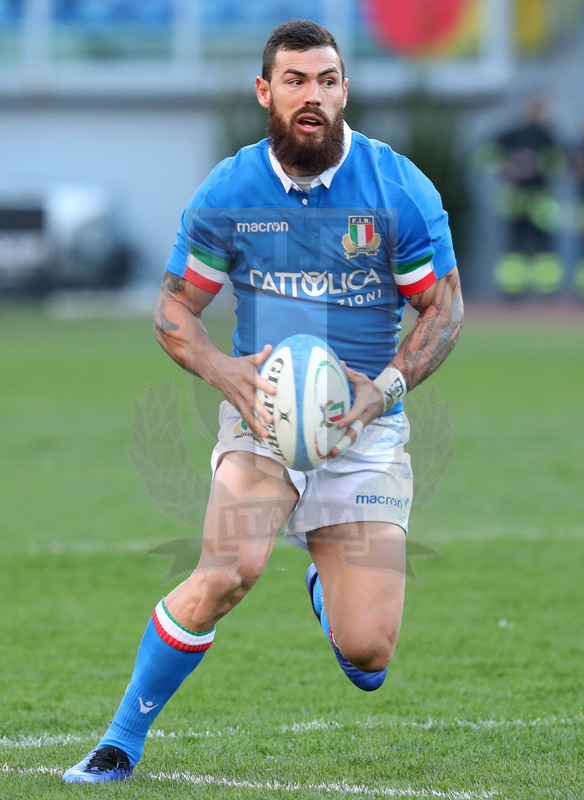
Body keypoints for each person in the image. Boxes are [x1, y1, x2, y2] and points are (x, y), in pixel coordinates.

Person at [63, 18, 463, 784]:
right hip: (262, 421)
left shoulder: (397, 188)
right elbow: (174, 309)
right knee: (227, 570)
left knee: (369, 654)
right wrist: (226, 374)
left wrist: (380, 394)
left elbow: (442, 310)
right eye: (295, 80)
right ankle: (119, 743)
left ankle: (328, 587)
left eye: (327, 81)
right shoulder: (231, 190)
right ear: (264, 91)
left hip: (365, 433)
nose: (313, 95)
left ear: (345, 90)